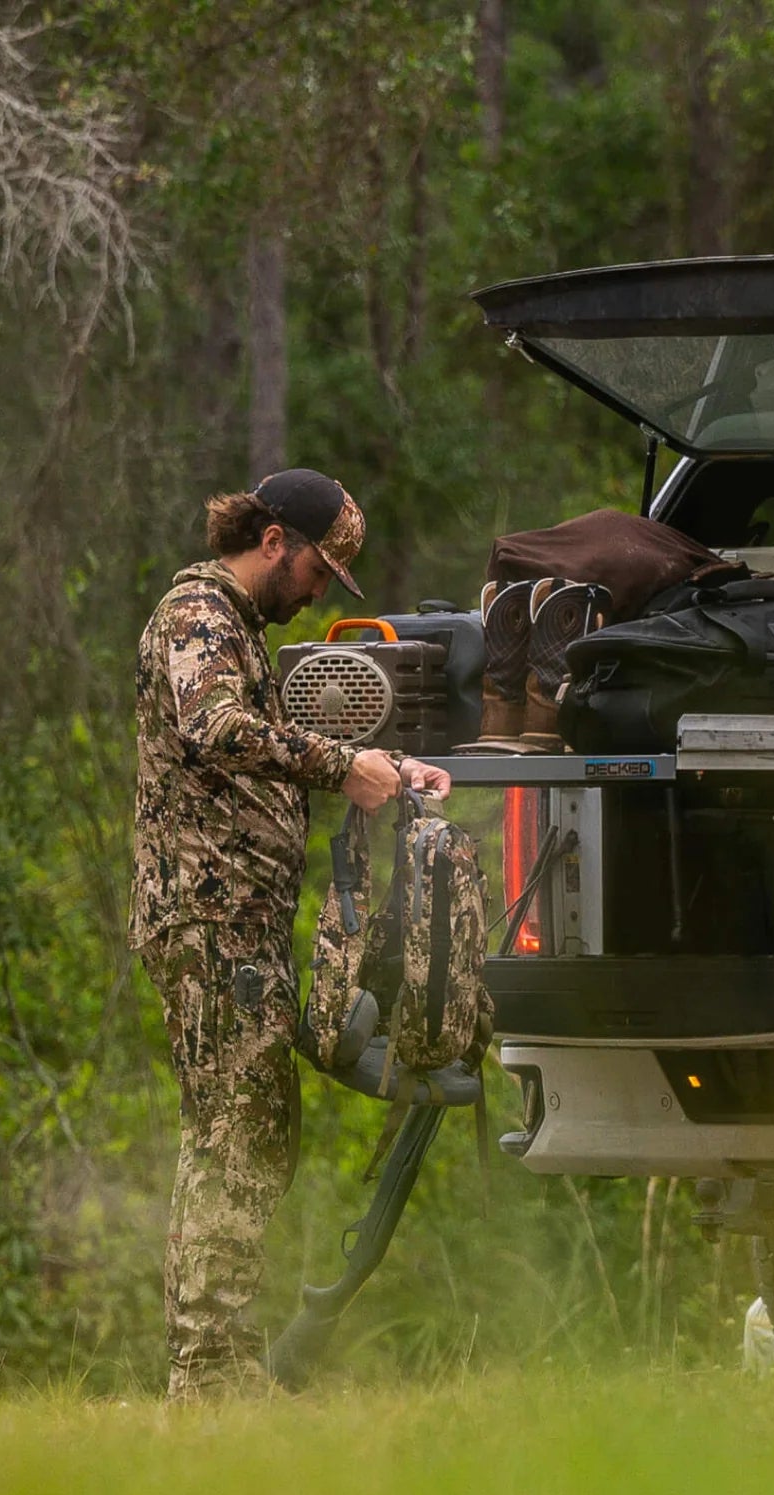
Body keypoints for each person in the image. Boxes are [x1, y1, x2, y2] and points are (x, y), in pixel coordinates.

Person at [128, 468, 451, 1399]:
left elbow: (265, 734)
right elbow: (214, 726)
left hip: (234, 923)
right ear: (275, 540)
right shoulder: (199, 613)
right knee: (240, 1130)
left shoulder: (234, 627)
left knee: (251, 1128)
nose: (317, 594)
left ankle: (215, 1363)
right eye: (318, 571)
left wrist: (384, 763)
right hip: (207, 920)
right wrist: (344, 766)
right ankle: (210, 1371)